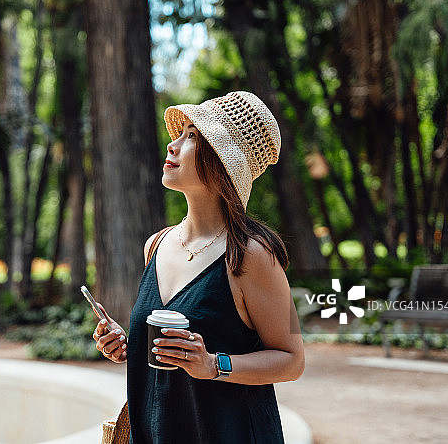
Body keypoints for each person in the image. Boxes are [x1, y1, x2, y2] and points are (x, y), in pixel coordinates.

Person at [92, 91, 304, 443]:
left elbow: (291, 360)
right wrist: (128, 347)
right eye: (180, 134)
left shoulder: (250, 255)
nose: (172, 146)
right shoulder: (156, 245)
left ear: (222, 162)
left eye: (192, 137)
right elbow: (170, 356)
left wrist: (214, 365)